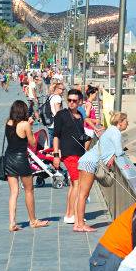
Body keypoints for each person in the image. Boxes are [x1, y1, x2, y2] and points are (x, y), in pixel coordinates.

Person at [2, 100, 47, 232]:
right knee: (29, 190)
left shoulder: (8, 122)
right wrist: (30, 126)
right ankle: (33, 220)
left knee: (14, 192)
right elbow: (33, 143)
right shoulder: (25, 124)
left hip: (9, 157)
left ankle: (12, 222)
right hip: (21, 159)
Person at [52, 88, 91, 230]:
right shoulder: (61, 115)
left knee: (74, 185)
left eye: (74, 101)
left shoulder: (80, 114)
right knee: (77, 183)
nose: (71, 103)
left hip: (79, 153)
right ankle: (71, 215)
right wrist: (56, 155)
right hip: (69, 154)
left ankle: (70, 213)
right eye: (69, 100)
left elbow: (80, 134)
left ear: (80, 102)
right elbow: (56, 136)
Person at [80, 111, 130, 189]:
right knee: (83, 195)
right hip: (90, 163)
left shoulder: (110, 129)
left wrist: (113, 155)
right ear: (120, 122)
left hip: (87, 161)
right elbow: (119, 152)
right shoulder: (116, 132)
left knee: (81, 193)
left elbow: (112, 148)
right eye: (126, 121)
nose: (127, 124)